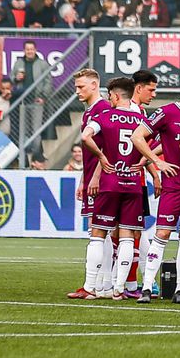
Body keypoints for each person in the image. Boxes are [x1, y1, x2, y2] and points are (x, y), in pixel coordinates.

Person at [79, 76, 175, 301]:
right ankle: (119, 289)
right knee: (127, 237)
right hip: (133, 184)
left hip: (110, 182)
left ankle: (91, 287)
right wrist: (152, 167)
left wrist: (102, 156)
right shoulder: (142, 120)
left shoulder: (104, 116)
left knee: (98, 235)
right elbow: (148, 147)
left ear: (114, 95)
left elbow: (86, 136)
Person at [132, 74, 180, 305]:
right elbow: (138, 137)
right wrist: (157, 161)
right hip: (174, 185)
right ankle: (147, 287)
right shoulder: (166, 112)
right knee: (163, 233)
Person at [66, 68, 113, 299]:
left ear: (95, 85)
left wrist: (93, 177)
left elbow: (106, 148)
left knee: (99, 231)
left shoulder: (103, 109)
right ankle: (103, 285)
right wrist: (83, 179)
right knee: (100, 231)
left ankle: (98, 285)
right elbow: (91, 152)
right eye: (76, 87)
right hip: (94, 177)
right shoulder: (90, 112)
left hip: (103, 179)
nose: (77, 91)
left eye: (81, 87)